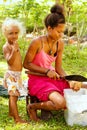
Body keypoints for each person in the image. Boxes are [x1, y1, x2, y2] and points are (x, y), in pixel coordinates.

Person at [23, 4, 82, 121]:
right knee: (60, 103)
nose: (61, 35)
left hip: (53, 78)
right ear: (49, 28)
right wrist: (47, 71)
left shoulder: (60, 44)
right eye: (58, 32)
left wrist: (69, 80)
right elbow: (26, 64)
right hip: (37, 80)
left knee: (82, 85)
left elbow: (59, 68)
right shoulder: (37, 42)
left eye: (62, 32)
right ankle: (32, 107)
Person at [2, 18, 27, 123]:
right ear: (5, 34)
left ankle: (11, 113)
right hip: (11, 75)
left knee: (14, 96)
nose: (14, 35)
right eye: (11, 33)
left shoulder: (15, 45)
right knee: (13, 96)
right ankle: (17, 119)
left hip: (18, 75)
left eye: (16, 33)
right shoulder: (7, 46)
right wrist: (14, 50)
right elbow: (10, 61)